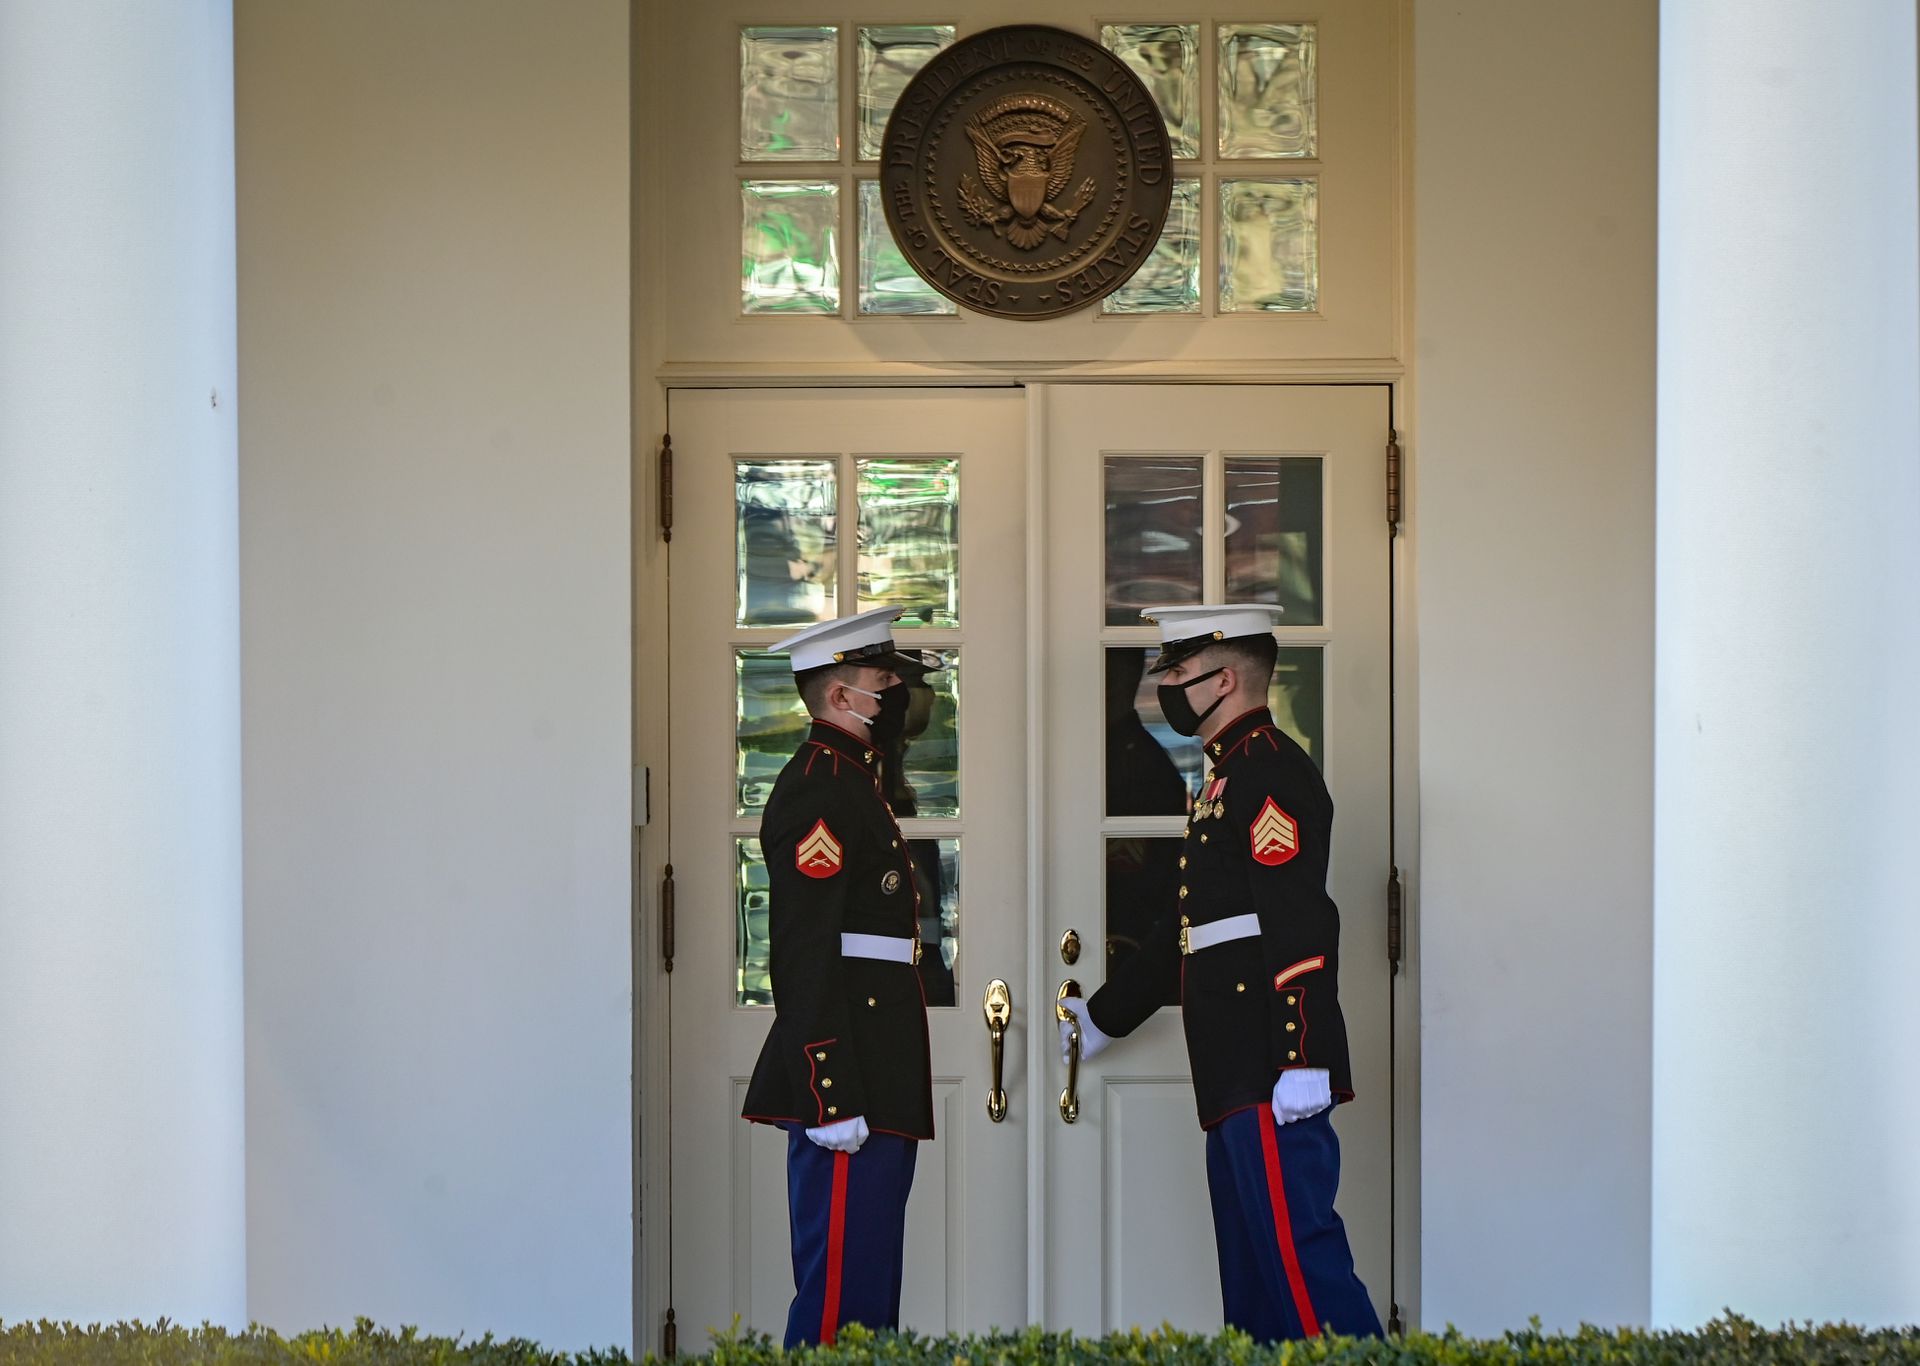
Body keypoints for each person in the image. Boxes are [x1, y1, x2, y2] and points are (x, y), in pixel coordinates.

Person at [1059, 604, 1382, 1342]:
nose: (1165, 686)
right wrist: (1105, 1016)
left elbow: (1300, 919)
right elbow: (1190, 929)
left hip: (1269, 1063)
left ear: (1225, 679)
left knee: (1303, 1270)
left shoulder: (1268, 771)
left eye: (1178, 671)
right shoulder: (1226, 778)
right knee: (1255, 1285)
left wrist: (1302, 1055)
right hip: (1234, 1064)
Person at [741, 605, 937, 1348]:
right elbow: (804, 950)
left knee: (870, 1293)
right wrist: (828, 1090)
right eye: (882, 683)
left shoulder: (856, 780)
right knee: (839, 1304)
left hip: (877, 1064)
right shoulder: (820, 786)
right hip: (849, 1073)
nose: (895, 696)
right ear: (839, 695)